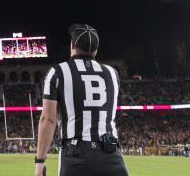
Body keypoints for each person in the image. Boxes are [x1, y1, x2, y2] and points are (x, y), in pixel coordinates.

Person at [35, 24, 129, 176]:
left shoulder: (58, 72)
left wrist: (40, 162)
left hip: (76, 156)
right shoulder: (112, 73)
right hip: (111, 156)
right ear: (96, 50)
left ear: (72, 44)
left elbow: (48, 120)